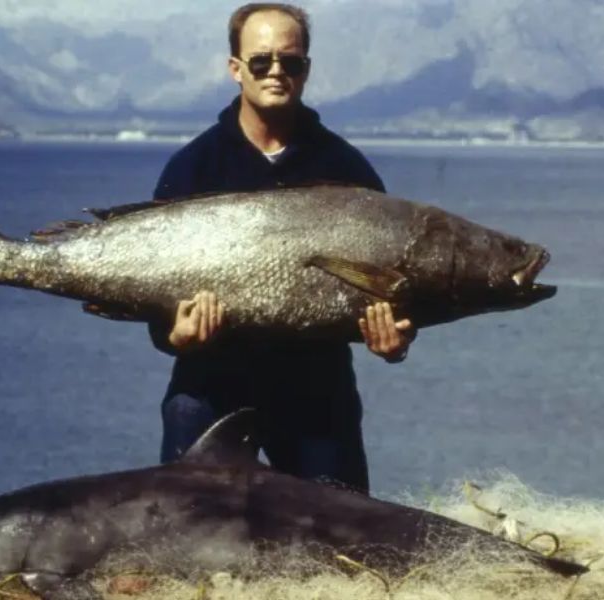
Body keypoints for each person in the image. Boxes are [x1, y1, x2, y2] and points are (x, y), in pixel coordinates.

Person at [149, 2, 415, 494]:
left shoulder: (347, 169)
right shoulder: (193, 167)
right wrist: (174, 335)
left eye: (290, 61)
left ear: (306, 70)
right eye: (261, 60)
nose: (276, 72)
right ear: (235, 69)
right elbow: (151, 291)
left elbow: (389, 287)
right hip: (211, 384)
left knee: (345, 545)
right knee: (183, 539)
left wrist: (395, 342)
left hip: (316, 389)